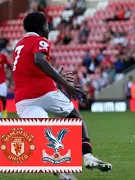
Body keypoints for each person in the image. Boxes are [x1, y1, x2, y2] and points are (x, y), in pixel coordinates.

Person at [12, 12, 112, 180]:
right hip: (45, 92)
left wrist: (57, 76)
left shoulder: (18, 45)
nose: (48, 28)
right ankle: (88, 156)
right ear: (43, 27)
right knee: (75, 117)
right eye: (47, 25)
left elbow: (31, 69)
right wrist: (65, 84)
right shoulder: (40, 41)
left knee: (44, 134)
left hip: (23, 100)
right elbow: (39, 60)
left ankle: (61, 172)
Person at [0, 52, 11, 118]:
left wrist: (9, 70)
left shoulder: (2, 56)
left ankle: (4, 109)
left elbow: (8, 64)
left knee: (3, 98)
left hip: (1, 81)